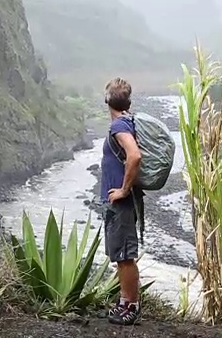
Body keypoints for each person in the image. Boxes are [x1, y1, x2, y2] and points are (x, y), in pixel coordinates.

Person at [100, 77, 143, 325]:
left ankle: (131, 306)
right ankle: (124, 301)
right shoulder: (125, 122)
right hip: (118, 203)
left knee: (125, 255)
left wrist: (123, 191)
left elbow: (134, 156)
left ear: (107, 100)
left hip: (121, 203)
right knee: (120, 253)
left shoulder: (119, 127)